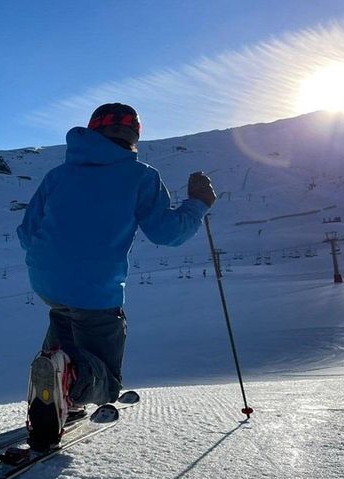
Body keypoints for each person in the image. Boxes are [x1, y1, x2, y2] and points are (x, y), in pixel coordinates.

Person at [16, 102, 216, 450]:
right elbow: (167, 233)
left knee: (64, 324)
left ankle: (57, 383)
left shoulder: (58, 175)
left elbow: (27, 232)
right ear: (135, 135)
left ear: (92, 130)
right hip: (95, 288)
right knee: (106, 381)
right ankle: (68, 382)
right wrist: (198, 203)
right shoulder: (140, 176)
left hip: (46, 279)